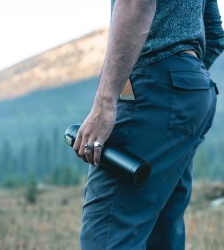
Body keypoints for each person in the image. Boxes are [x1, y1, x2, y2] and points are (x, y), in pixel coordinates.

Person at [72, 0, 224, 249]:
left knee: (108, 235)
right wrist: (184, 84)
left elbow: (136, 3)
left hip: (151, 87)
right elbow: (214, 32)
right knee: (162, 234)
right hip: (192, 92)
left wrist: (105, 102)